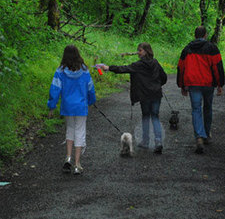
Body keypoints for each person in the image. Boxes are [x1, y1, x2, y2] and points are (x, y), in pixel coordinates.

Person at [101, 42, 167, 154]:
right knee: (155, 116)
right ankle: (158, 141)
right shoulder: (155, 63)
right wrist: (157, 84)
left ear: (145, 51)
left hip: (145, 95)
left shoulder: (138, 65)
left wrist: (108, 68)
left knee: (146, 116)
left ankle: (146, 141)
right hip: (156, 94)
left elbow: (124, 69)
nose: (138, 52)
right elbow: (164, 77)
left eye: (140, 50)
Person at [48, 45, 96, 174]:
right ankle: (77, 164)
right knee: (80, 132)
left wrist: (52, 106)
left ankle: (68, 157)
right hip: (81, 106)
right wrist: (91, 101)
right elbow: (90, 88)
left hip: (67, 106)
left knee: (70, 129)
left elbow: (55, 89)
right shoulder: (85, 70)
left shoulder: (60, 71)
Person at [177, 26, 225, 154]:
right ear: (205, 35)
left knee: (196, 109)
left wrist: (182, 85)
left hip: (193, 83)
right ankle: (206, 135)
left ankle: (199, 136)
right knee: (207, 107)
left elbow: (181, 67)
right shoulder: (212, 48)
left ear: (195, 35)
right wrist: (220, 84)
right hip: (208, 84)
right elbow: (217, 66)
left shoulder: (187, 49)